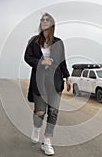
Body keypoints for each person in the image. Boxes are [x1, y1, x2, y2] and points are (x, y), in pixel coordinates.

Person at [24, 12, 71, 156]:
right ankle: (36, 128)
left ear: (52, 24)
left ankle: (47, 141)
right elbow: (27, 57)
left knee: (54, 112)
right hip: (39, 82)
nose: (44, 21)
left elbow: (62, 61)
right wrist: (41, 62)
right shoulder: (33, 41)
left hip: (55, 82)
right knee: (40, 112)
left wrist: (67, 76)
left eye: (47, 20)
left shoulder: (58, 42)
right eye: (43, 20)